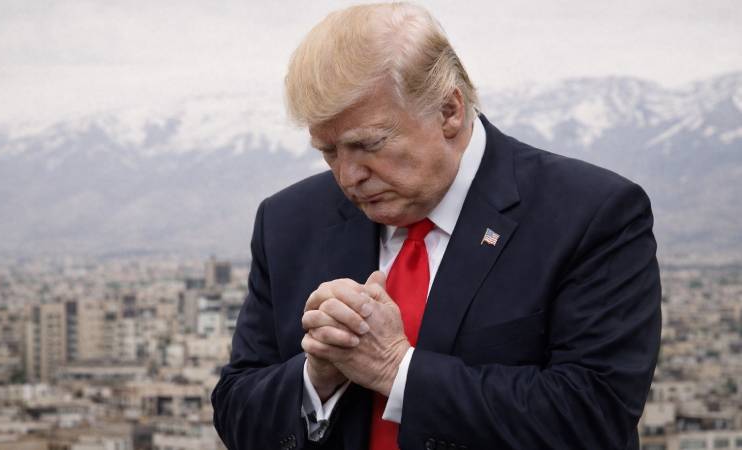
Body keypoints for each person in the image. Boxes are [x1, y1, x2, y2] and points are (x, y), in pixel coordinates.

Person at [211, 3, 662, 449]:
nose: (348, 177)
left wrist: (396, 370)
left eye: (368, 144)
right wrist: (316, 378)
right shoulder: (288, 223)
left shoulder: (589, 215)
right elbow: (235, 410)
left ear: (449, 111)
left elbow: (593, 417)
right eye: (329, 152)